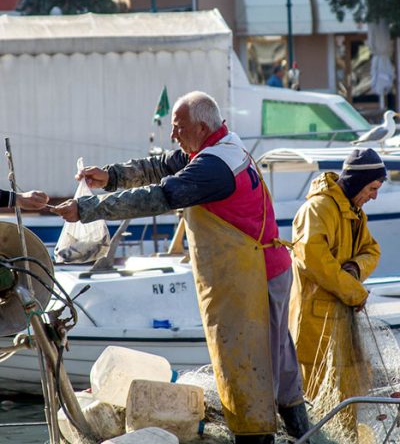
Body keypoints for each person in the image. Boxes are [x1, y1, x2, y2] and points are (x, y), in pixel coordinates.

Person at [53, 91, 309, 444]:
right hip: (262, 270)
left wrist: (89, 209)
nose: (174, 135)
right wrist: (109, 177)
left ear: (202, 127)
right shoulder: (221, 147)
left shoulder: (213, 168)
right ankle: (301, 431)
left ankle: (256, 436)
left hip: (254, 278)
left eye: (179, 128)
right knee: (279, 360)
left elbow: (159, 196)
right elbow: (160, 166)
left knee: (250, 369)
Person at [289, 148, 384, 406]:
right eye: (372, 188)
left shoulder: (354, 213)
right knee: (315, 402)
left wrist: (355, 266)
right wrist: (355, 292)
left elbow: (372, 250)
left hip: (340, 323)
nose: (374, 196)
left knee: (346, 401)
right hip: (314, 326)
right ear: (358, 182)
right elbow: (313, 259)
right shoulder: (317, 209)